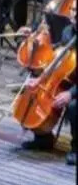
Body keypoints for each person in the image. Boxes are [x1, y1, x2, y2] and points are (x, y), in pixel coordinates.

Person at [19, 11, 76, 165]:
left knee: (73, 106)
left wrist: (71, 93)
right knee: (31, 90)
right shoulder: (67, 31)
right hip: (64, 77)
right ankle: (43, 138)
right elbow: (56, 54)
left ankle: (75, 149)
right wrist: (35, 42)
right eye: (73, 11)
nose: (73, 15)